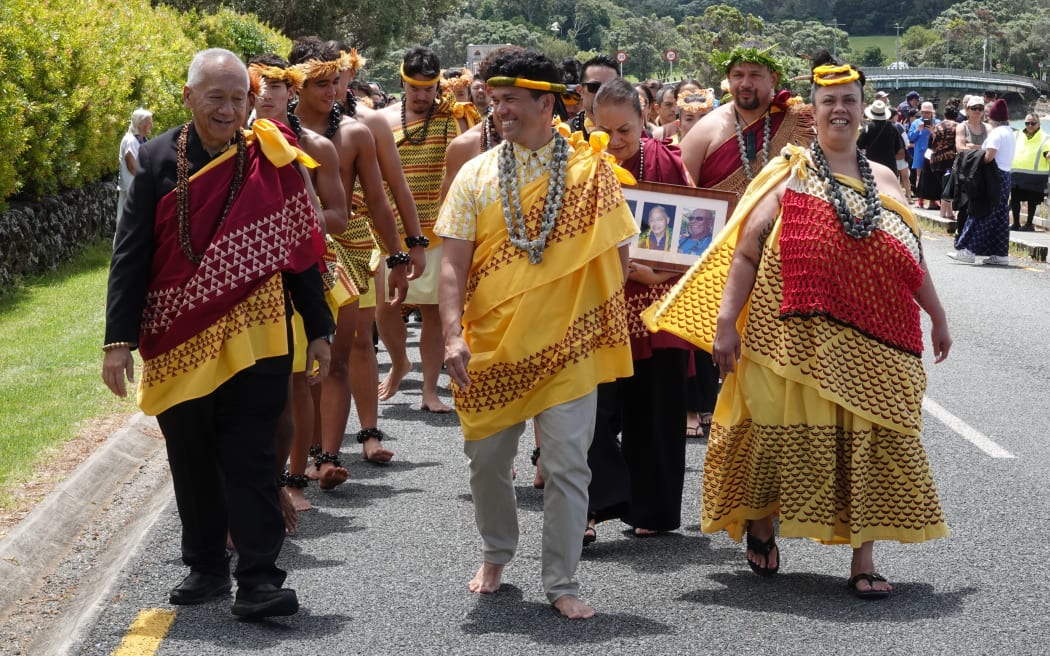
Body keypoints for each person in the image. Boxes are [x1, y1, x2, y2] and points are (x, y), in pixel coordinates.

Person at [643, 51, 952, 600]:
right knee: (772, 434)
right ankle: (761, 521)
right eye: (829, 101)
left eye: (849, 101)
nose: (839, 109)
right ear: (813, 108)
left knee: (870, 441)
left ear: (862, 111)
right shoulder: (789, 171)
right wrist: (725, 323)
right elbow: (746, 251)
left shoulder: (884, 178)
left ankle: (864, 558)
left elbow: (912, 256)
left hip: (879, 341)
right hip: (790, 339)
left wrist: (938, 316)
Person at [102, 48, 336, 618]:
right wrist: (117, 341)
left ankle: (259, 579)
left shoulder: (271, 157)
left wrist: (320, 328)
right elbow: (130, 255)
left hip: (257, 336)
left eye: (239, 98)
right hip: (177, 335)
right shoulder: (157, 161)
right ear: (188, 98)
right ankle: (206, 567)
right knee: (191, 457)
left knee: (253, 456)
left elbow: (300, 252)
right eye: (217, 98)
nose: (229, 109)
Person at [436, 48, 638, 619]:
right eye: (494, 100)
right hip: (492, 347)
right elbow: (451, 264)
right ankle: (497, 551)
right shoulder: (475, 174)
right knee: (486, 462)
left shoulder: (590, 171)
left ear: (547, 103)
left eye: (511, 101)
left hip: (570, 347)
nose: (499, 110)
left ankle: (562, 581)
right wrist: (453, 336)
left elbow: (619, 253)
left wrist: (582, 313)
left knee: (570, 465)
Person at [289, 38, 409, 495]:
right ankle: (301, 455)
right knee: (299, 365)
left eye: (336, 79)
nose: (333, 88)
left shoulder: (357, 132)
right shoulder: (267, 132)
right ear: (295, 84)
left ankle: (327, 457)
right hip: (292, 256)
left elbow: (381, 198)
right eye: (321, 81)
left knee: (339, 353)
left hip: (350, 251)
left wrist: (400, 254)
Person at [585, 77, 695, 543]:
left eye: (625, 130)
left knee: (657, 409)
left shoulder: (669, 162)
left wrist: (660, 275)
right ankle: (588, 509)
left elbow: (697, 238)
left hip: (657, 302)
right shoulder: (581, 168)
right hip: (598, 303)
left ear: (646, 117)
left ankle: (653, 508)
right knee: (589, 414)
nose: (615, 142)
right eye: (604, 130)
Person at [248, 53, 353, 513]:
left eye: (277, 89)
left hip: (299, 274)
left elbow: (336, 214)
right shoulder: (220, 144)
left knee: (297, 383)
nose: (267, 96)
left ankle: (293, 479)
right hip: (245, 281)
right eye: (258, 89)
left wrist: (296, 217)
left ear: (289, 92)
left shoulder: (311, 147)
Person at [375, 46, 473, 413]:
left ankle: (429, 391)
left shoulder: (454, 118)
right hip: (388, 228)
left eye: (429, 88)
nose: (421, 95)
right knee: (384, 309)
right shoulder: (382, 120)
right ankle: (399, 360)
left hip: (438, 226)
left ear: (438, 86)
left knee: (433, 310)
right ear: (403, 82)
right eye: (415, 87)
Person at [679, 46, 814, 195]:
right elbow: (680, 195)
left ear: (773, 80)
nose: (745, 83)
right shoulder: (704, 130)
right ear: (729, 78)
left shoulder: (797, 123)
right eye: (738, 75)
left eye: (754, 75)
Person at [949, 98, 1015, 265]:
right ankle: (1000, 254)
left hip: (994, 175)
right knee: (1000, 216)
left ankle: (968, 250)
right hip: (1006, 176)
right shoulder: (1010, 133)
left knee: (982, 211)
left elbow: (988, 157)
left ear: (992, 118)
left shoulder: (996, 133)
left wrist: (976, 153)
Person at [1009, 113, 1049, 231]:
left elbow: (1047, 152)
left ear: (1039, 124)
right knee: (1015, 199)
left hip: (1035, 176)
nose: (1029, 125)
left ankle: (1029, 224)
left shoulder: (1045, 138)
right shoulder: (1016, 135)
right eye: (1027, 123)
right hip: (1017, 173)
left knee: (1032, 201)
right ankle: (1016, 223)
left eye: (1033, 123)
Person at [116, 108, 152, 225]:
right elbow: (132, 166)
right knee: (128, 222)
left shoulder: (142, 140)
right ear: (140, 124)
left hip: (137, 187)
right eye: (148, 122)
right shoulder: (131, 140)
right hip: (131, 187)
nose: (151, 125)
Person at [569, 54, 619, 138]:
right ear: (580, 90)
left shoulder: (632, 133)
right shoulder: (565, 134)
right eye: (594, 87)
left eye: (610, 87)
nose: (602, 93)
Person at [908, 102, 941, 209]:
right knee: (919, 176)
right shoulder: (916, 123)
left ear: (932, 112)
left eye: (928, 112)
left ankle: (933, 200)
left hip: (933, 153)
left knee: (934, 176)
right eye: (923, 112)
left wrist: (933, 132)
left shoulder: (937, 122)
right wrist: (918, 130)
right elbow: (910, 137)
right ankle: (920, 200)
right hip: (920, 153)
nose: (926, 115)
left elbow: (941, 139)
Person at [858, 99, 904, 173]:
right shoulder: (893, 127)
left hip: (873, 166)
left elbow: (859, 146)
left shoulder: (868, 128)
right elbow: (897, 147)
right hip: (890, 166)